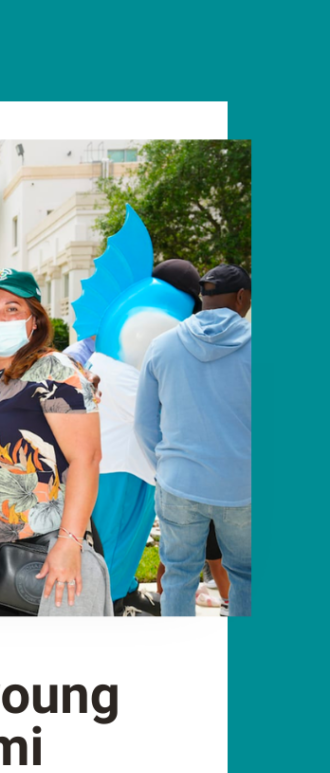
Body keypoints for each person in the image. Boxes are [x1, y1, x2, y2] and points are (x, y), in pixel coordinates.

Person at [0, 270, 102, 614]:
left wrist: (69, 543)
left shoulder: (53, 370)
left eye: (12, 308)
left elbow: (86, 460)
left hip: (40, 555)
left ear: (34, 320)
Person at [134, 264, 251, 616]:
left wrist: (167, 468)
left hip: (178, 483)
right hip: (242, 486)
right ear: (242, 297)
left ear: (204, 297)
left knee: (179, 576)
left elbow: (143, 424)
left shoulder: (161, 346)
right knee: (247, 575)